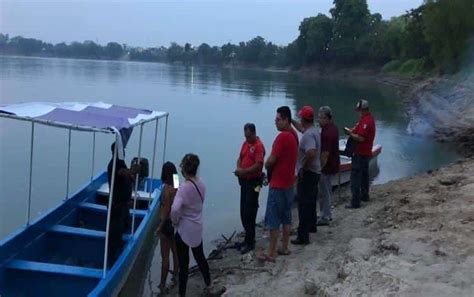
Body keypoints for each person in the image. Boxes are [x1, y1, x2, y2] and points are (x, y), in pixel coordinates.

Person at [258, 106, 298, 262]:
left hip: (279, 183)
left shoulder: (283, 137)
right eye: (275, 119)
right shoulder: (294, 135)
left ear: (286, 120)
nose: (275, 122)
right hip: (289, 182)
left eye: (278, 119)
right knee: (286, 216)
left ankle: (271, 252)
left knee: (274, 219)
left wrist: (267, 165)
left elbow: (271, 160)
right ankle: (284, 246)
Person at [171, 153, 211, 297]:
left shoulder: (183, 188)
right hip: (197, 226)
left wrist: (174, 220)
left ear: (184, 169)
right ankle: (209, 284)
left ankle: (182, 294)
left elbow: (175, 209)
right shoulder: (201, 183)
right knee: (200, 257)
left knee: (183, 265)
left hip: (183, 229)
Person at [107, 142, 141, 267]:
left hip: (123, 204)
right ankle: (113, 261)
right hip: (117, 205)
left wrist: (131, 175)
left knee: (122, 228)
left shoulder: (121, 162)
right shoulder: (115, 164)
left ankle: (120, 254)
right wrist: (133, 170)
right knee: (115, 235)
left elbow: (126, 175)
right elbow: (123, 173)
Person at [291, 106, 321, 245]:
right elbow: (300, 128)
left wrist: (303, 166)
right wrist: (290, 120)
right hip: (314, 172)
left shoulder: (308, 136)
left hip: (308, 173)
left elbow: (311, 152)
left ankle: (303, 237)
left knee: (303, 204)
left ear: (304, 119)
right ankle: (311, 226)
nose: (299, 120)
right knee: (310, 201)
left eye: (300, 117)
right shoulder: (313, 130)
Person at [234, 123, 266, 254]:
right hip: (245, 182)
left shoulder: (259, 146)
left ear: (253, 133)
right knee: (243, 211)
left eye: (249, 136)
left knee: (250, 211)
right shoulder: (245, 144)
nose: (247, 138)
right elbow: (240, 158)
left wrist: (245, 171)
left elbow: (258, 165)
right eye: (245, 136)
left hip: (255, 183)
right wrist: (239, 169)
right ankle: (247, 239)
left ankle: (251, 242)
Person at [344, 99, 376, 209]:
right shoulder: (364, 120)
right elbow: (357, 130)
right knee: (364, 176)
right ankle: (365, 196)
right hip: (364, 153)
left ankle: (355, 202)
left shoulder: (367, 122)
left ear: (364, 110)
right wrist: (351, 131)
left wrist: (350, 134)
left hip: (361, 153)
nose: (359, 113)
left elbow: (361, 138)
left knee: (356, 177)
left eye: (360, 110)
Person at [155, 162, 179, 292]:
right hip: (176, 223)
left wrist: (159, 226)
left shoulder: (166, 190)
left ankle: (162, 284)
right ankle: (176, 276)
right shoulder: (177, 185)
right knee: (175, 252)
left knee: (165, 256)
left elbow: (166, 209)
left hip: (167, 224)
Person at [317, 106, 340, 226]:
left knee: (324, 191)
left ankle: (325, 216)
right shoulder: (333, 128)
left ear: (327, 118)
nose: (319, 120)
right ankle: (326, 213)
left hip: (327, 166)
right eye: (319, 117)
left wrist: (319, 168)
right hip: (333, 164)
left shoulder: (327, 133)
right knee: (327, 190)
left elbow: (325, 154)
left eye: (321, 118)